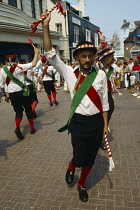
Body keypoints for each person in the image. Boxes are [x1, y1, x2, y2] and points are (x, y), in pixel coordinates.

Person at [41, 11, 109, 202]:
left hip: (96, 122)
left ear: (95, 57)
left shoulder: (101, 76)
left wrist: (105, 125)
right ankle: (72, 167)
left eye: (90, 56)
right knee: (79, 158)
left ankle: (82, 184)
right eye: (83, 56)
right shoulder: (70, 73)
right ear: (77, 58)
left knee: (90, 159)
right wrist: (45, 26)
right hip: (78, 122)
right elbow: (51, 54)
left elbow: (104, 103)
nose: (87, 60)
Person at [0, 48, 39, 140]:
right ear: (15, 58)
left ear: (7, 58)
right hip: (22, 93)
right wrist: (36, 53)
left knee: (18, 112)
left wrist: (5, 95)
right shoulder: (19, 67)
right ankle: (32, 129)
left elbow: (1, 85)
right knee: (28, 110)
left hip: (12, 94)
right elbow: (33, 64)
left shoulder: (2, 70)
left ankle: (17, 128)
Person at [97, 48, 115, 149]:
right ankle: (100, 139)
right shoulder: (97, 66)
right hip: (98, 94)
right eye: (111, 57)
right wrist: (100, 43)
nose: (112, 59)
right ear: (104, 58)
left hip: (106, 94)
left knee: (109, 111)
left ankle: (104, 127)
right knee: (100, 117)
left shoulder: (109, 69)